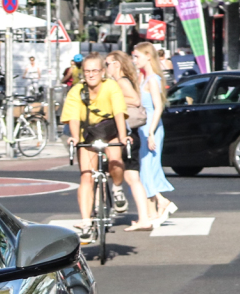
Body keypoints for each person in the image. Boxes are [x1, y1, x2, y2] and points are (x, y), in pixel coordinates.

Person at [60, 53, 129, 245]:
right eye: (87, 71)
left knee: (115, 160)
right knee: (86, 176)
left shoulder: (111, 87)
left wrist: (123, 137)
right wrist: (74, 137)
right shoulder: (76, 91)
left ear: (103, 72)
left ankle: (117, 188)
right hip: (88, 134)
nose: (91, 75)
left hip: (109, 130)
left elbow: (118, 112)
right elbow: (73, 117)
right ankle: (86, 223)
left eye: (95, 71)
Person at [104, 52, 153, 230]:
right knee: (133, 177)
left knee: (106, 171)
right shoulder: (122, 81)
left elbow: (135, 100)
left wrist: (111, 98)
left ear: (116, 64)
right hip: (131, 134)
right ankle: (144, 219)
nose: (105, 67)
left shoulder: (121, 82)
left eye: (107, 63)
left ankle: (99, 216)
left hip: (124, 133)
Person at [132, 42, 177, 224]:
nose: (135, 60)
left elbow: (159, 107)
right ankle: (153, 210)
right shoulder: (142, 78)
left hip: (152, 128)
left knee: (148, 168)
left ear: (148, 56)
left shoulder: (153, 79)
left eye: (137, 56)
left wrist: (151, 132)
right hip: (143, 128)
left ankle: (162, 201)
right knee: (145, 170)